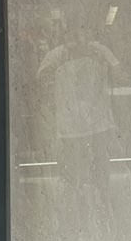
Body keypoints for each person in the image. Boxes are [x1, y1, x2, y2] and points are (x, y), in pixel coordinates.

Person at [37, 24, 124, 184]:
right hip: (69, 122)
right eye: (72, 33)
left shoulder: (99, 51)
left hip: (97, 120)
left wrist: (103, 60)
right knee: (72, 169)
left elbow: (119, 75)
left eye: (81, 32)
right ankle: (75, 192)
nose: (77, 37)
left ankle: (100, 193)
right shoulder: (56, 55)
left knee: (100, 165)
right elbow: (41, 81)